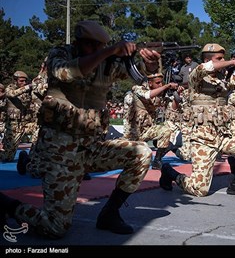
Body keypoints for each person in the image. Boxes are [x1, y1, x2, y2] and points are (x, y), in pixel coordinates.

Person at [0, 20, 160, 238]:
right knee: (55, 228)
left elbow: (138, 74)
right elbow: (68, 73)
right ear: (78, 42)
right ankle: (7, 204)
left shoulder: (108, 63)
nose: (95, 50)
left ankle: (110, 213)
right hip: (59, 152)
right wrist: (109, 51)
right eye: (90, 46)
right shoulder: (60, 55)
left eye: (99, 46)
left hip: (90, 148)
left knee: (141, 152)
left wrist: (149, 64)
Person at [159, 43, 235, 197]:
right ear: (208, 60)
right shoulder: (196, 75)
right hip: (203, 139)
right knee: (199, 190)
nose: (223, 60)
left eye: (224, 58)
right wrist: (232, 62)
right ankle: (169, 172)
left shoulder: (224, 79)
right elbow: (207, 68)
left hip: (223, 136)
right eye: (220, 58)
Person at [123, 73, 180, 169]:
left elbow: (172, 107)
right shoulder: (138, 89)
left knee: (165, 131)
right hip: (133, 134)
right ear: (149, 83)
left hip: (147, 130)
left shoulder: (159, 96)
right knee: (132, 160)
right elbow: (147, 95)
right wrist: (167, 86)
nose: (160, 85)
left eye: (162, 83)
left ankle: (157, 161)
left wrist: (176, 94)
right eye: (158, 83)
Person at [0, 71, 36, 163]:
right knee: (7, 157)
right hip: (14, 126)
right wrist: (28, 87)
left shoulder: (28, 91)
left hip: (27, 123)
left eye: (25, 81)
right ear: (15, 80)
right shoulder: (9, 89)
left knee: (40, 131)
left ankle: (32, 156)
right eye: (21, 81)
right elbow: (12, 94)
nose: (23, 83)